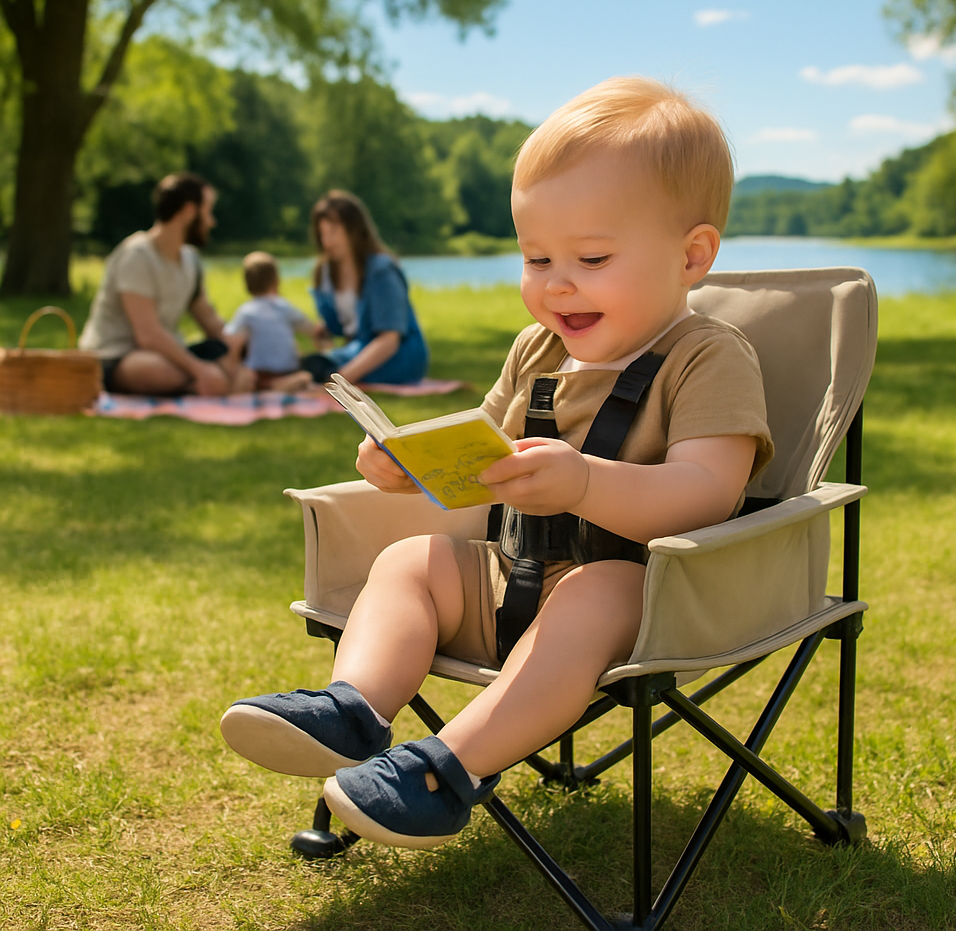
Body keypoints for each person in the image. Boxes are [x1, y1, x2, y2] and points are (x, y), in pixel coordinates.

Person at [220, 77, 774, 850]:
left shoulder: (708, 357)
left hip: (647, 602)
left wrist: (584, 481)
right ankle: (353, 711)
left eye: (591, 256)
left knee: (595, 587)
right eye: (536, 256)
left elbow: (709, 492)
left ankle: (444, 773)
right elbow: (480, 452)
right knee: (413, 559)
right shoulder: (537, 350)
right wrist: (410, 462)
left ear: (691, 256)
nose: (557, 282)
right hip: (508, 577)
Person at [80, 172, 243, 395]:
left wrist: (235, 341)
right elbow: (147, 335)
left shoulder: (190, 260)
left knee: (229, 360)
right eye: (207, 212)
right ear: (189, 211)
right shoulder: (136, 256)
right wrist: (198, 368)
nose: (211, 222)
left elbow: (208, 317)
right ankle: (204, 383)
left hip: (166, 354)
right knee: (153, 370)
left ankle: (207, 381)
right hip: (118, 356)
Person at [308, 190, 429, 385]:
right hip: (359, 350)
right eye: (323, 234)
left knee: (319, 371)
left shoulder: (381, 271)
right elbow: (346, 327)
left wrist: (340, 381)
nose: (327, 241)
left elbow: (389, 339)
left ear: (353, 230)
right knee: (310, 365)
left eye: (333, 232)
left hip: (399, 357)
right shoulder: (327, 272)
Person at [225, 251, 332, 393]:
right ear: (276, 280)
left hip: (259, 374)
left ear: (247, 283)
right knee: (303, 374)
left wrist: (233, 369)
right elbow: (311, 329)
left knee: (244, 374)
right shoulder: (284, 307)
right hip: (288, 371)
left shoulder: (246, 312)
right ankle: (285, 385)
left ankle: (269, 387)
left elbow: (231, 342)